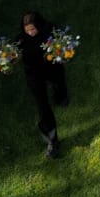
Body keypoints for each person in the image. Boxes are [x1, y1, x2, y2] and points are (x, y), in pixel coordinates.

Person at [17, 11, 69, 159]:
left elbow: (63, 46)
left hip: (52, 68)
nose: (30, 33)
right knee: (43, 107)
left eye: (32, 29)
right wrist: (9, 63)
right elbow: (16, 57)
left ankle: (61, 96)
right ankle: (53, 142)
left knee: (59, 84)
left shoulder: (51, 30)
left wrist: (63, 56)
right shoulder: (21, 40)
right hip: (34, 75)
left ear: (39, 25)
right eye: (27, 30)